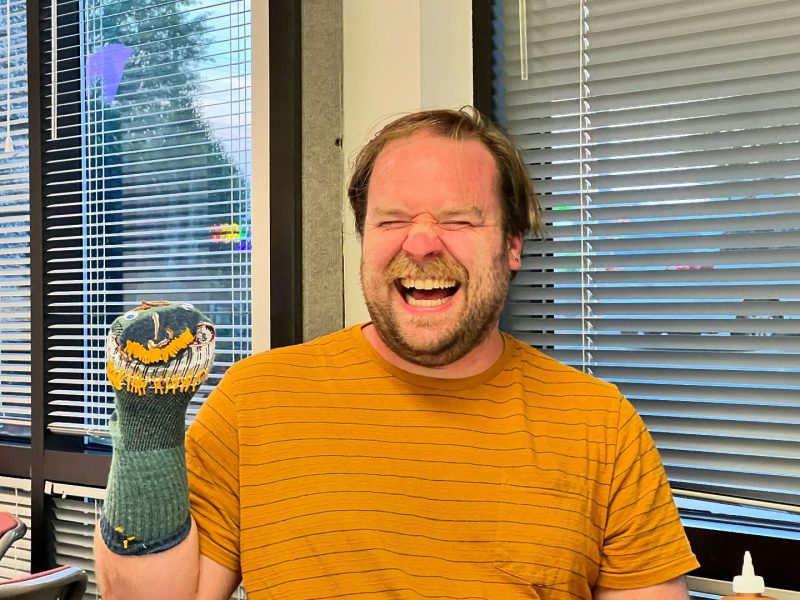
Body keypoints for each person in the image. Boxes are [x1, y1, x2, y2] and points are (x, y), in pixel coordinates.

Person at [95, 107, 699, 599]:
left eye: (459, 219)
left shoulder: (599, 424)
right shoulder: (258, 400)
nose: (421, 241)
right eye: (392, 220)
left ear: (512, 245)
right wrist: (147, 432)